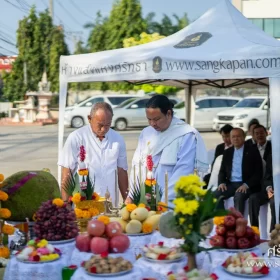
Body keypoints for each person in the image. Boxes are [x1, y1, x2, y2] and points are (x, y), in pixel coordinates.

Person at [125, 95, 208, 205]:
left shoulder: (186, 134)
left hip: (172, 200)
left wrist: (165, 201)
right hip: (145, 198)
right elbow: (137, 165)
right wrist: (133, 194)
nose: (152, 124)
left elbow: (183, 170)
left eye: (156, 119)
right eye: (149, 119)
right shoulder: (146, 133)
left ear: (168, 114)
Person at [58, 102, 129, 205]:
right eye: (100, 125)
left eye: (108, 125)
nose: (104, 129)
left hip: (110, 203)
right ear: (89, 119)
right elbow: (67, 171)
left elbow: (121, 171)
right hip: (83, 204)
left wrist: (127, 201)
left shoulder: (118, 139)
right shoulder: (76, 137)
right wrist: (65, 202)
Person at [214, 128, 263, 215]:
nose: (236, 139)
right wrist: (221, 183)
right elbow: (222, 171)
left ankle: (238, 224)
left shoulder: (253, 151)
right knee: (215, 195)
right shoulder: (227, 152)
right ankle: (222, 220)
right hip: (231, 184)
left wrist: (246, 185)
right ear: (230, 138)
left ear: (244, 137)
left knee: (239, 196)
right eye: (233, 137)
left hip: (246, 184)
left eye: (238, 136)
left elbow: (258, 172)